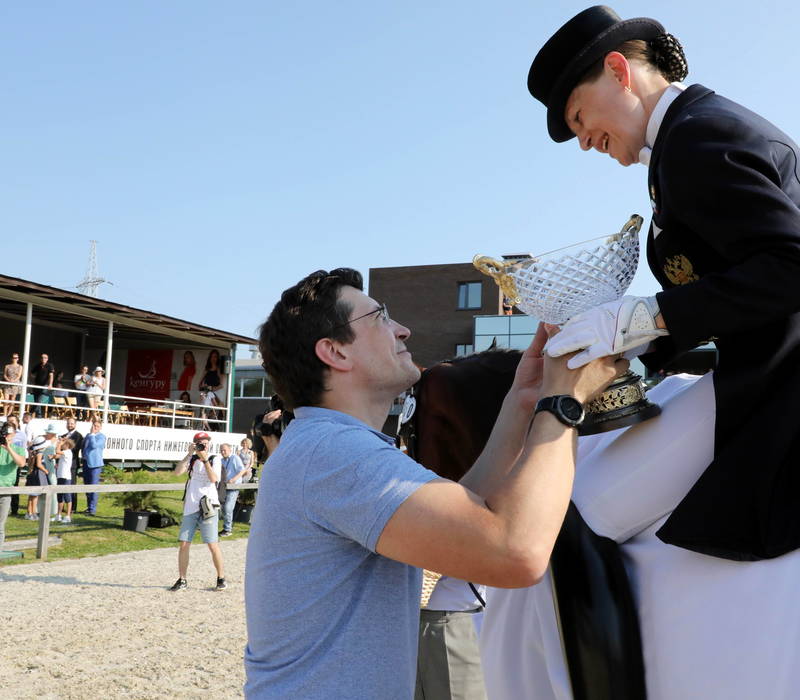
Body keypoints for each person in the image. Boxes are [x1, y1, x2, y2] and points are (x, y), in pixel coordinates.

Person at [243, 268, 623, 698]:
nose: (402, 330)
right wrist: (564, 401)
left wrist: (521, 400)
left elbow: (469, 507)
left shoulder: (325, 444)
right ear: (335, 352)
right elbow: (516, 553)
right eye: (380, 318)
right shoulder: (335, 454)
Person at [529, 4, 800, 562]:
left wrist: (647, 318)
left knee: (586, 509)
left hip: (782, 378)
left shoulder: (696, 140)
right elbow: (732, 285)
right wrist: (639, 341)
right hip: (766, 362)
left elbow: (791, 267)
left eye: (579, 118)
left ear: (618, 71)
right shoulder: (688, 136)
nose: (583, 142)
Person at [170, 431, 226, 592]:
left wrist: (205, 459)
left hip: (208, 507)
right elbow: (177, 472)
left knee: (212, 544)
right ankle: (182, 579)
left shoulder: (215, 459)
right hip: (191, 506)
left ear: (209, 444)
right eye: (200, 442)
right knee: (184, 544)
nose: (203, 445)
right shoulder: (192, 459)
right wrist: (189, 454)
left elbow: (214, 478)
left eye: (205, 442)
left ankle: (221, 577)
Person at [0, 422, 26, 547]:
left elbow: (21, 463)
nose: (7, 436)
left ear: (14, 434)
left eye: (9, 434)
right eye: (5, 434)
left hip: (6, 491)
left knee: (0, 525)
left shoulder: (18, 449)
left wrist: (9, 448)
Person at [218, 443, 246, 537]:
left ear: (230, 450)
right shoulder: (221, 460)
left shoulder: (235, 458)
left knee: (228, 508)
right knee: (222, 507)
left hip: (234, 487)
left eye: (224, 450)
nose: (222, 452)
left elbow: (242, 470)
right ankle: (225, 528)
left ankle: (228, 529)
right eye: (221, 450)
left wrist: (233, 479)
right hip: (224, 487)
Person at [81, 419, 106, 515]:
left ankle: (92, 509)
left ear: (100, 428)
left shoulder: (101, 437)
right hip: (86, 463)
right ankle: (89, 507)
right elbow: (84, 447)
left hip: (95, 465)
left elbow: (94, 446)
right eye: (94, 425)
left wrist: (92, 435)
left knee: (94, 487)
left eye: (97, 426)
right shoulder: (88, 435)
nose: (95, 428)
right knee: (87, 486)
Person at [61, 418, 83, 512]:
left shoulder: (78, 436)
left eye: (72, 423)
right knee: (62, 484)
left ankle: (73, 507)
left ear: (75, 424)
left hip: (72, 464)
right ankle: (61, 505)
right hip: (63, 464)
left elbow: (75, 449)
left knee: (72, 485)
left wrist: (67, 442)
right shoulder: (63, 435)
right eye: (68, 423)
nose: (70, 425)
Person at [25, 436, 49, 520]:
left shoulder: (33, 452)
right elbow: (39, 464)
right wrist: (45, 470)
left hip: (32, 474)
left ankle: (29, 512)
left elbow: (29, 464)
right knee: (35, 495)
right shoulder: (40, 453)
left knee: (31, 495)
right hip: (38, 474)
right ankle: (34, 513)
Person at [7, 415, 27, 516]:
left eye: (13, 421)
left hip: (16, 462)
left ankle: (14, 509)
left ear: (18, 422)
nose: (11, 423)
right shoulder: (4, 434)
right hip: (4, 462)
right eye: (9, 421)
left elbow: (23, 449)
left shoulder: (22, 435)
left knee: (15, 485)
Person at [54, 437, 75, 524]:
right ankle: (58, 515)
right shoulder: (64, 453)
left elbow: (57, 451)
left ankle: (68, 516)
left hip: (66, 477)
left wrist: (59, 443)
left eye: (64, 443)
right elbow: (57, 455)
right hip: (60, 477)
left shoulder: (68, 452)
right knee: (60, 497)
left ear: (67, 445)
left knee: (67, 497)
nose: (62, 444)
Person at [29, 353, 54, 418]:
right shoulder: (38, 365)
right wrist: (34, 380)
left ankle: (30, 413)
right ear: (40, 359)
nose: (43, 359)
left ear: (47, 359)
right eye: (42, 357)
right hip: (36, 386)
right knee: (37, 401)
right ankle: (38, 415)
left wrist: (50, 384)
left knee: (38, 401)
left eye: (45, 358)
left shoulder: (49, 365)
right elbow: (31, 374)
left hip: (44, 386)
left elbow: (51, 375)